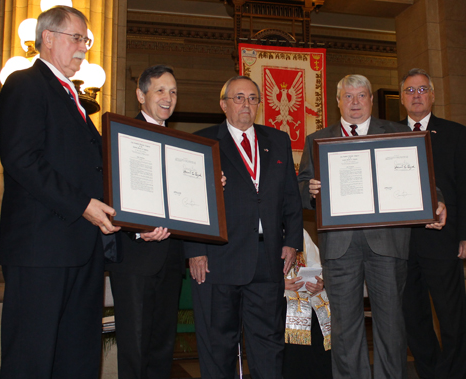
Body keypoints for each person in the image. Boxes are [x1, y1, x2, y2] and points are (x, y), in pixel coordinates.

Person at [0, 6, 120, 379]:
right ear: (48, 38)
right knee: (31, 360)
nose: (84, 48)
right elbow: (21, 160)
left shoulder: (76, 101)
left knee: (77, 359)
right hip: (41, 252)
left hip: (82, 252)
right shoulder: (24, 84)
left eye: (87, 40)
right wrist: (82, 205)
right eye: (77, 38)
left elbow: (101, 172)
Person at [297, 74, 446, 379]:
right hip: (340, 246)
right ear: (338, 101)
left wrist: (437, 201)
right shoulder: (318, 140)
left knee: (391, 325)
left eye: (361, 96)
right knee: (345, 328)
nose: (354, 102)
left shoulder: (395, 132)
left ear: (371, 100)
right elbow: (300, 185)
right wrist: (309, 190)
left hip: (388, 244)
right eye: (348, 96)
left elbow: (421, 172)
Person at [185, 75, 303, 379]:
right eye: (238, 98)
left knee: (269, 342)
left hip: (268, 259)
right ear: (223, 105)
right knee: (219, 344)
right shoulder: (203, 141)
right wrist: (196, 250)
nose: (246, 104)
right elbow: (188, 200)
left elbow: (290, 196)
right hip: (219, 259)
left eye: (252, 98)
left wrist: (292, 240)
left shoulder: (277, 141)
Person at [105, 65, 185, 379]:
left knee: (162, 348)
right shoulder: (120, 135)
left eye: (174, 91)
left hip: (170, 259)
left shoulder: (183, 144)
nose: (168, 98)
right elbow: (108, 195)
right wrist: (139, 233)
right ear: (141, 95)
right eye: (161, 90)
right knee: (135, 349)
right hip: (135, 259)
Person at [400, 68, 466, 379]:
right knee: (413, 317)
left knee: (451, 315)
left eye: (422, 90)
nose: (416, 95)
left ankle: (455, 373)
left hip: (444, 240)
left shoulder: (455, 132)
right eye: (410, 91)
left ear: (432, 96)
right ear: (402, 98)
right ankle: (431, 372)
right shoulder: (390, 133)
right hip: (403, 244)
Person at [283, 229, 332, 379]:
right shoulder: (260, 231)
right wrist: (280, 284)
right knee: (296, 312)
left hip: (306, 293)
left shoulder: (300, 232)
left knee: (324, 310)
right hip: (279, 296)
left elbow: (316, 263)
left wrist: (319, 282)